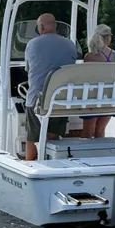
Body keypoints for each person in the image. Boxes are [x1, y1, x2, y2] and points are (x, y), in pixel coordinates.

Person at [22, 13, 78, 160]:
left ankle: (30, 161)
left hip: (39, 99)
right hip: (62, 99)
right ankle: (51, 160)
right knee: (53, 133)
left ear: (40, 27)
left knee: (32, 135)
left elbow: (29, 70)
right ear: (56, 26)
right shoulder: (70, 44)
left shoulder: (32, 44)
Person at [82, 23, 114, 138]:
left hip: (92, 98)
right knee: (100, 131)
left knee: (87, 132)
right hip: (109, 98)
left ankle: (85, 154)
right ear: (107, 38)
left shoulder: (89, 57)